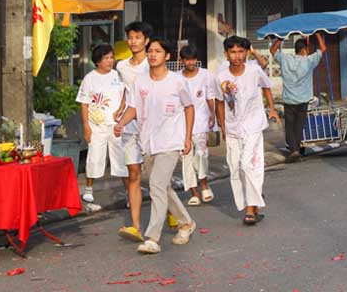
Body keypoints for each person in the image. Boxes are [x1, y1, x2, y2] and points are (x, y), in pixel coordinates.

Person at [114, 37, 195, 255]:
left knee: (157, 186)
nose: (152, 55)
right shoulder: (140, 81)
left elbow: (189, 108)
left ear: (167, 56)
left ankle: (152, 237)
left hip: (171, 141)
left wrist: (187, 138)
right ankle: (186, 222)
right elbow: (133, 107)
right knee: (162, 187)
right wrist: (121, 123)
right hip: (148, 142)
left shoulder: (177, 82)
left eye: (157, 51)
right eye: (150, 51)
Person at [215, 36, 279, 225]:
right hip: (233, 126)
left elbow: (266, 86)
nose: (237, 56)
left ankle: (250, 210)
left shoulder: (254, 70)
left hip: (253, 124)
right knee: (235, 167)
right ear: (226, 54)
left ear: (246, 52)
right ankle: (253, 202)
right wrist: (222, 126)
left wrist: (272, 109)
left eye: (241, 51)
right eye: (233, 52)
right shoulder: (220, 75)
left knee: (248, 164)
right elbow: (218, 102)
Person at [114, 21, 152, 242]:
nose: (133, 41)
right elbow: (126, 91)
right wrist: (121, 110)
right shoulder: (122, 67)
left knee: (157, 177)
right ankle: (136, 226)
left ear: (146, 40)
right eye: (130, 37)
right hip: (129, 126)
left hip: (152, 126)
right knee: (134, 174)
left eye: (138, 37)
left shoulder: (153, 63)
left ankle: (169, 210)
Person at [76, 43, 127, 203]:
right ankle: (89, 189)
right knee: (94, 157)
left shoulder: (118, 76)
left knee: (121, 159)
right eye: (106, 58)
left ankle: (129, 193)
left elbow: (126, 93)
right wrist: (86, 126)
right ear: (98, 61)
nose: (110, 61)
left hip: (117, 125)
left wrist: (122, 107)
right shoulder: (89, 78)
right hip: (96, 126)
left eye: (111, 57)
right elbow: (83, 103)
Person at [270, 32, 326, 163]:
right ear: (304, 50)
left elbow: (272, 50)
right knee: (299, 126)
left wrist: (280, 38)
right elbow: (323, 48)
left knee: (289, 126)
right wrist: (317, 34)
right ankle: (295, 150)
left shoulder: (285, 59)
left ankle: (294, 150)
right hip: (303, 100)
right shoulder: (309, 61)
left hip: (289, 100)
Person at [178, 44, 217, 205]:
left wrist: (213, 114)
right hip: (181, 124)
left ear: (196, 60)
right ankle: (193, 192)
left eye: (193, 59)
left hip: (200, 122)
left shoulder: (206, 75)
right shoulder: (176, 78)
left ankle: (204, 185)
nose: (190, 63)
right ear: (182, 61)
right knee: (186, 159)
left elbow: (210, 96)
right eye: (187, 60)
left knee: (201, 154)